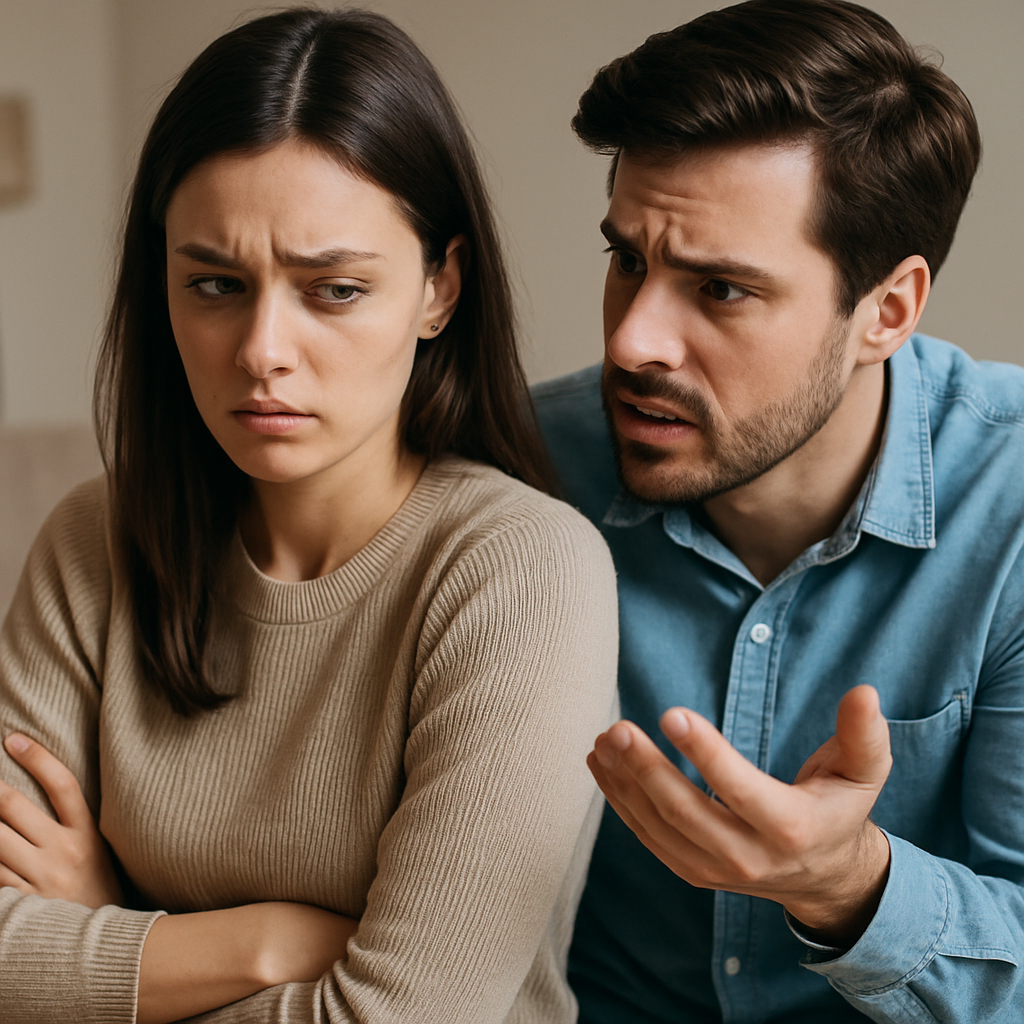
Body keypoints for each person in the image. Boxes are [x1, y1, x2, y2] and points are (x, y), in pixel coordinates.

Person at [0, 9, 618, 1023]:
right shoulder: (93, 542)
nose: (261, 349)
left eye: (332, 289)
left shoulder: (523, 571)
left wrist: (107, 946)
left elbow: (403, 1017)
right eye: (213, 283)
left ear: (439, 287)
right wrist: (262, 944)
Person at [533, 1, 1024, 1021]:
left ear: (885, 311)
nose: (634, 343)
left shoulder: (1011, 507)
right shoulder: (522, 469)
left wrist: (850, 886)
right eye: (627, 258)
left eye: (719, 289)